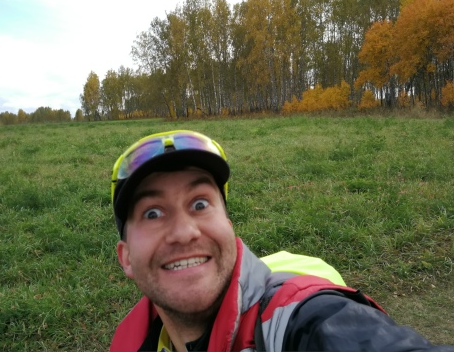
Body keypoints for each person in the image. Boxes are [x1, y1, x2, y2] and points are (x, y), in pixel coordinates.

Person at [109, 130, 453, 352]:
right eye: (152, 213)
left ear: (228, 227)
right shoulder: (131, 341)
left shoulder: (299, 321)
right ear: (126, 258)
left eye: (200, 204)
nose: (185, 232)